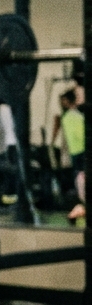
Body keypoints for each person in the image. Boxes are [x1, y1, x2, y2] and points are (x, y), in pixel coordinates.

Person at [54, 88, 86, 221]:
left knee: (80, 177)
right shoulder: (69, 116)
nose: (62, 103)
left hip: (80, 151)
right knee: (79, 177)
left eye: (64, 101)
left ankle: (83, 203)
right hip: (76, 152)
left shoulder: (73, 116)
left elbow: (80, 135)